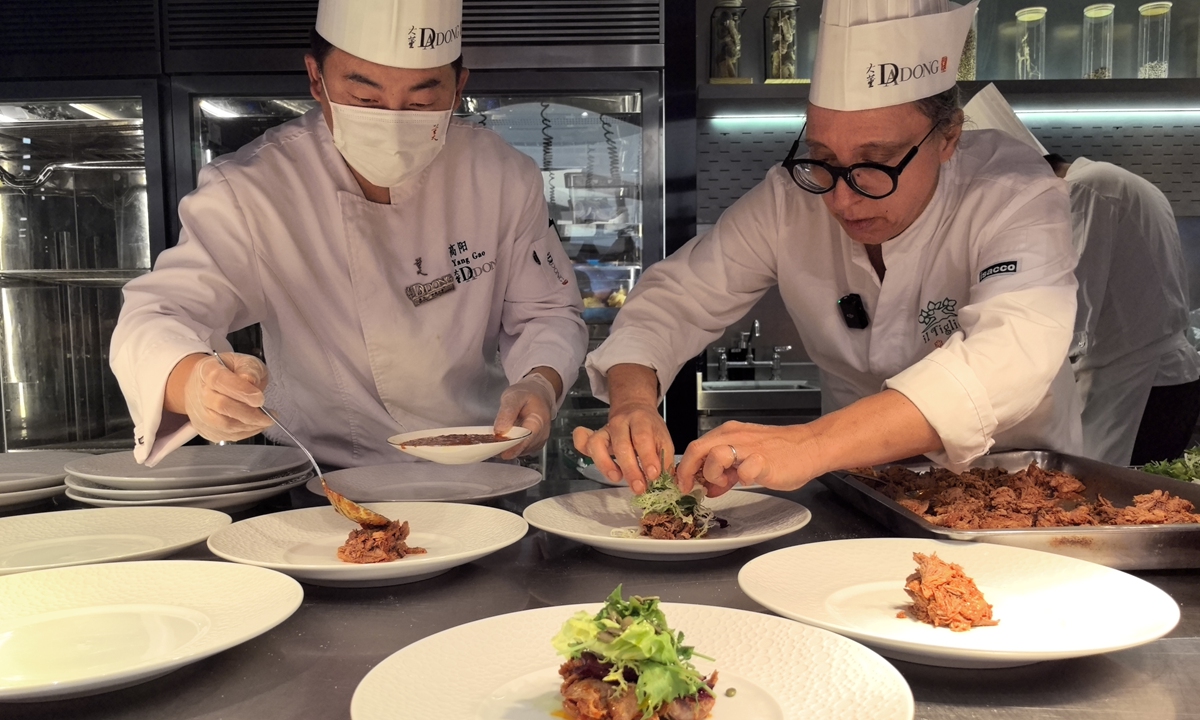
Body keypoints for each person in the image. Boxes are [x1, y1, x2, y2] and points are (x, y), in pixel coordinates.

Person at [575, 0, 1082, 496]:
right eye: (821, 159)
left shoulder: (1014, 191)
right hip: (862, 491)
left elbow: (1012, 353)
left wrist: (812, 443)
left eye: (875, 163)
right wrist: (632, 405)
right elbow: (676, 299)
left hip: (1019, 492)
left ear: (948, 137)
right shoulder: (787, 201)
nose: (841, 198)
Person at [110, 0, 587, 468]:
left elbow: (546, 310)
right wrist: (195, 381)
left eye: (422, 102)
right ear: (316, 79)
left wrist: (539, 383)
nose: (395, 124)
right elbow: (158, 315)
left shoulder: (500, 175)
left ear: (458, 87)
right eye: (366, 99)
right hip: (323, 483)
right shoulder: (253, 190)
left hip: (483, 466)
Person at [965, 84, 1200, 466]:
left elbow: (1069, 310)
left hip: (1141, 385)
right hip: (1164, 377)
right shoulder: (1107, 180)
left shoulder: (1085, 190)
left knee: (1110, 502)